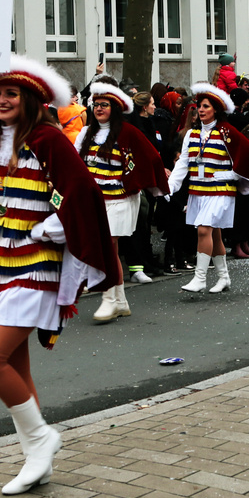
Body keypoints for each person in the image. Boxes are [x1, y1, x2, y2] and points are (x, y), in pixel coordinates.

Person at [0, 57, 117, 494]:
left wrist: (53, 225)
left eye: (11, 93)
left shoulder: (47, 139)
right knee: (10, 361)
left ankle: (41, 438)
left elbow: (83, 192)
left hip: (35, 265)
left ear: (30, 99)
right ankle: (36, 456)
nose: (2, 100)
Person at [78, 79, 168, 323]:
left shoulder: (128, 133)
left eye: (104, 105)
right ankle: (120, 301)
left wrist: (148, 183)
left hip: (121, 198)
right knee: (111, 249)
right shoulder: (86, 133)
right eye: (95, 105)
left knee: (108, 245)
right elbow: (77, 164)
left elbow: (151, 157)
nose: (98, 109)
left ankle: (108, 299)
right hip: (97, 200)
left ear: (114, 108)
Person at [168, 84, 249, 293]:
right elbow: (183, 164)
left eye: (206, 106)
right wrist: (169, 188)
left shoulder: (227, 133)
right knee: (215, 234)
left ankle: (200, 278)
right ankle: (224, 278)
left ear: (216, 110)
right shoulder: (191, 136)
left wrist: (230, 175)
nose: (200, 110)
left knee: (204, 229)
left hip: (220, 190)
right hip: (198, 191)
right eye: (199, 106)